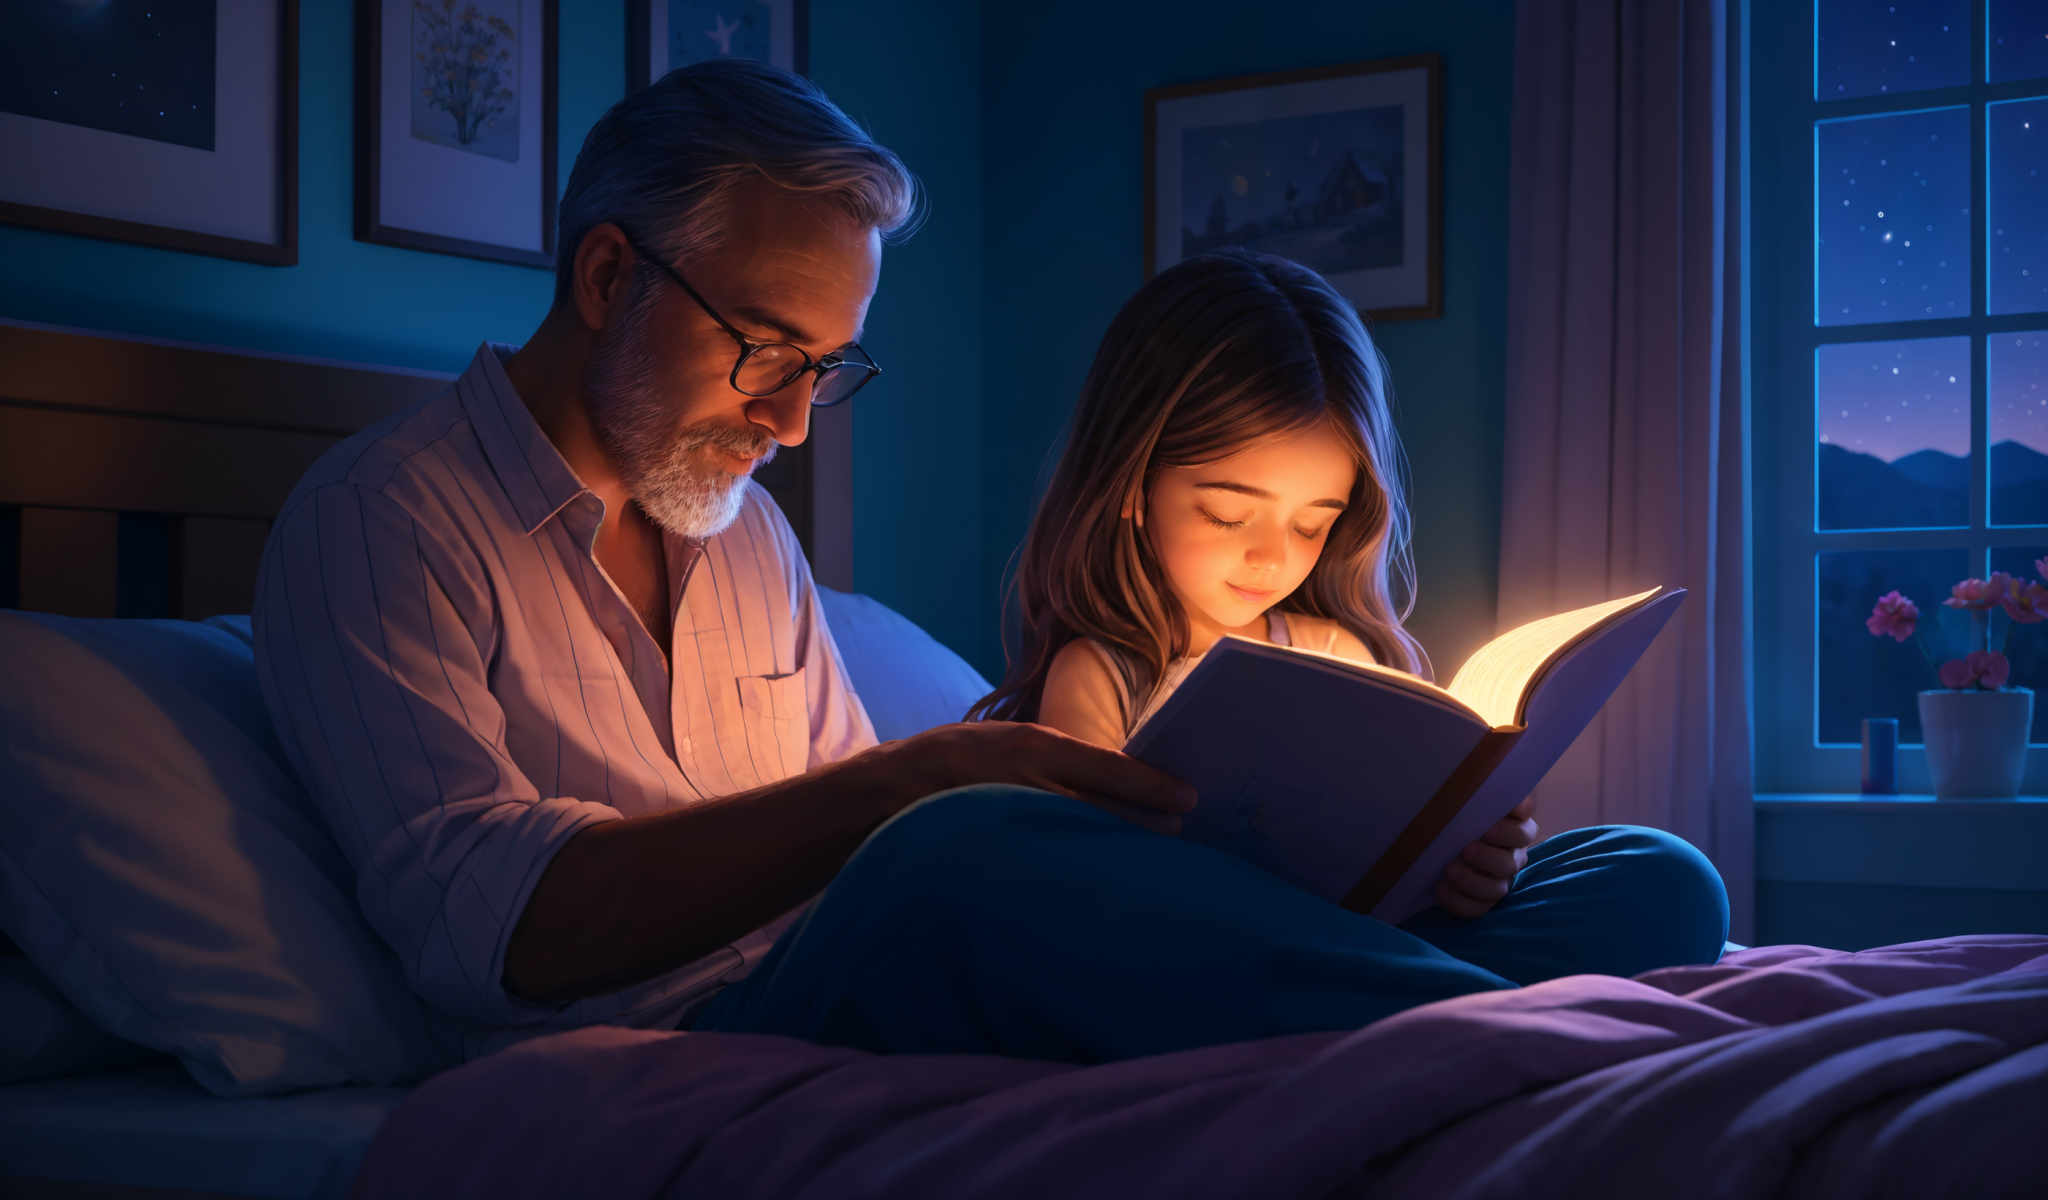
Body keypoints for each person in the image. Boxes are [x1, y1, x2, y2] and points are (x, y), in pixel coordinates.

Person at [685, 252, 1729, 1063]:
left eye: (1314, 521)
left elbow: (1406, 868)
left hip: (1337, 952)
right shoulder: (1105, 668)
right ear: (1133, 488)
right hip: (1171, 960)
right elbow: (1073, 898)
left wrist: (1472, 862)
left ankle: (1431, 1006)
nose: (1270, 555)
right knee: (988, 842)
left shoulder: (1339, 650)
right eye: (1226, 510)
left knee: (1654, 873)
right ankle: (1504, 1029)